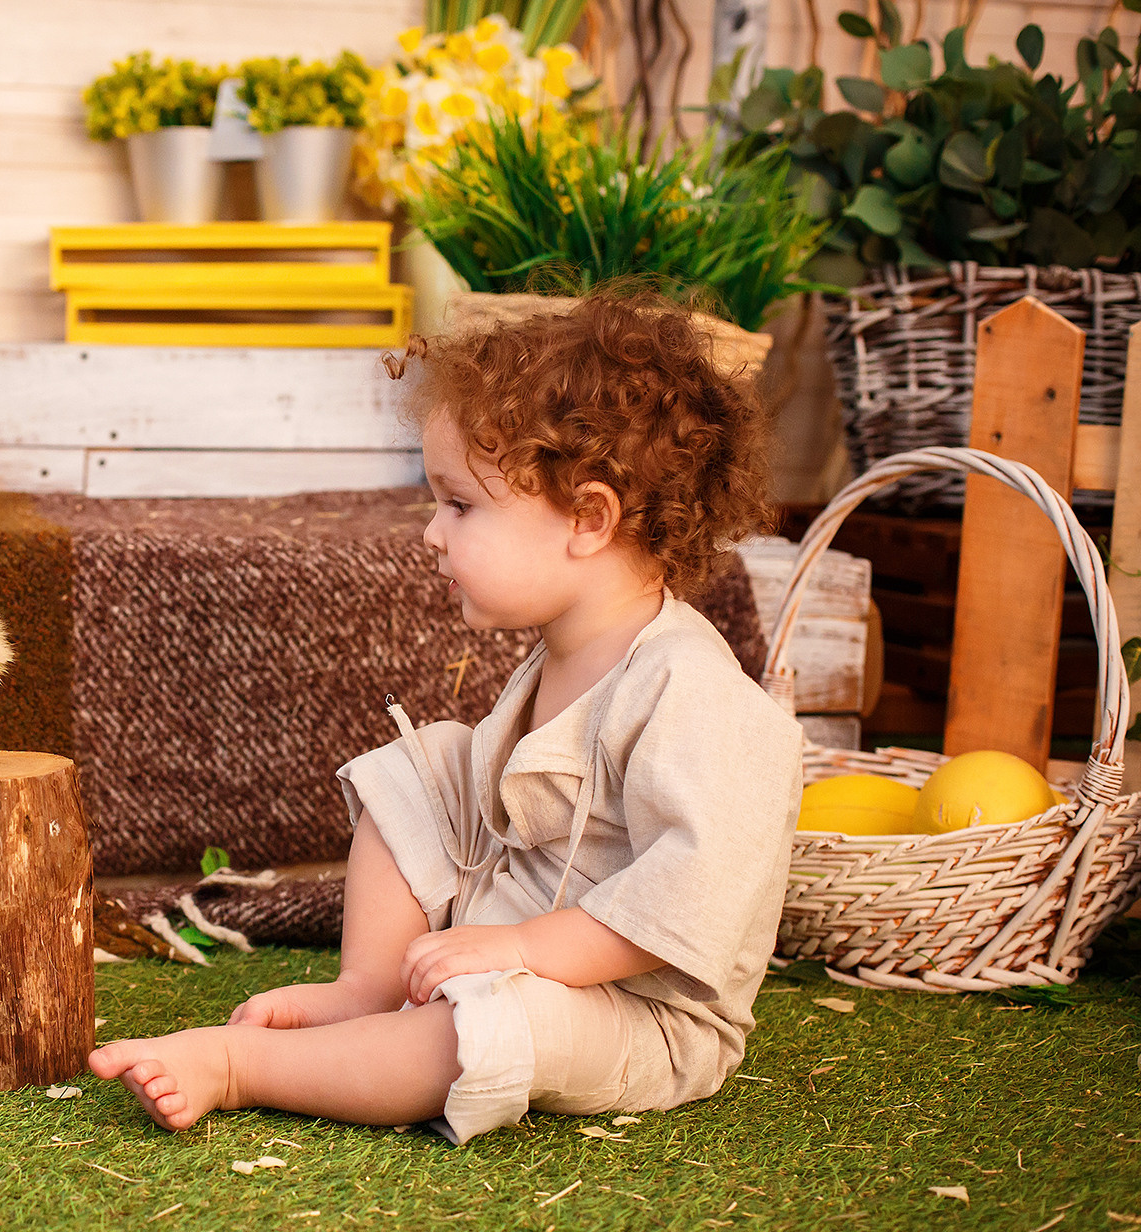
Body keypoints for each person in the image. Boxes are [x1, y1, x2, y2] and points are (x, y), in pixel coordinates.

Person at [89, 293, 804, 1142]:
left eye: (459, 505)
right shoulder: (568, 646)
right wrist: (499, 938)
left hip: (635, 1009)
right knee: (425, 768)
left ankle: (245, 1066)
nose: (431, 533)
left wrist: (522, 951)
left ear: (589, 519)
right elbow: (505, 817)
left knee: (484, 1033)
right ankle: (370, 990)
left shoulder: (699, 693)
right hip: (516, 931)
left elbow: (688, 897)